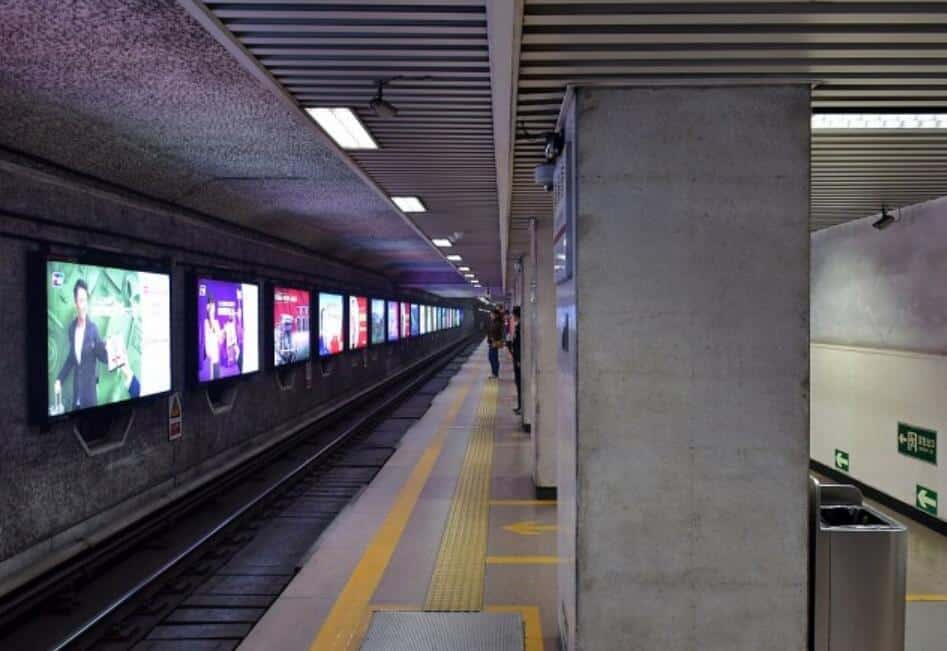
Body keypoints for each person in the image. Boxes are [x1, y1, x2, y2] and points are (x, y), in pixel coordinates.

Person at [53, 279, 109, 411]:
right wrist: (59, 379)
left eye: (85, 300)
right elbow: (71, 359)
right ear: (75, 303)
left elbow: (102, 356)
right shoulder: (72, 329)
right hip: (76, 394)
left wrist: (109, 350)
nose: (83, 305)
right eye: (80, 300)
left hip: (89, 398)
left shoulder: (93, 329)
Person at [203, 292, 224, 379]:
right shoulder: (205, 323)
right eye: (211, 306)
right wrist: (210, 316)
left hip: (216, 360)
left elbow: (220, 340)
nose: (213, 309)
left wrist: (221, 335)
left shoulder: (216, 322)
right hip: (208, 361)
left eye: (214, 306)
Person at [510, 306, 522, 414]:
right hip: (517, 360)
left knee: (520, 384)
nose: (512, 317)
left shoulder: (520, 327)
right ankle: (520, 406)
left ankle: (521, 407)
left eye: (513, 315)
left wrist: (518, 360)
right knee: (518, 384)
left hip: (519, 361)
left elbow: (519, 345)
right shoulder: (519, 326)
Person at [487, 308, 504, 378]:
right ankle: (494, 373)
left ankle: (495, 374)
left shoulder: (497, 323)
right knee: (492, 358)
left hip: (495, 342)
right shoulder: (494, 322)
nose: (490, 315)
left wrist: (493, 339)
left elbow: (496, 332)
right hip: (492, 342)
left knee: (493, 358)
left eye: (492, 314)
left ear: (496, 315)